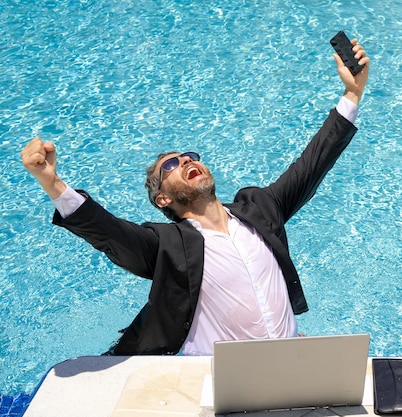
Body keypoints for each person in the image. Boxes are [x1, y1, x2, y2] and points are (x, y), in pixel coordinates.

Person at [20, 39, 370, 356]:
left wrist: (352, 94)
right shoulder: (166, 245)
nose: (185, 160)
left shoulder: (261, 208)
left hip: (293, 359)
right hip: (216, 378)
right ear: (162, 199)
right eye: (170, 165)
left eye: (189, 156)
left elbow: (312, 165)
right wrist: (53, 184)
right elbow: (109, 233)